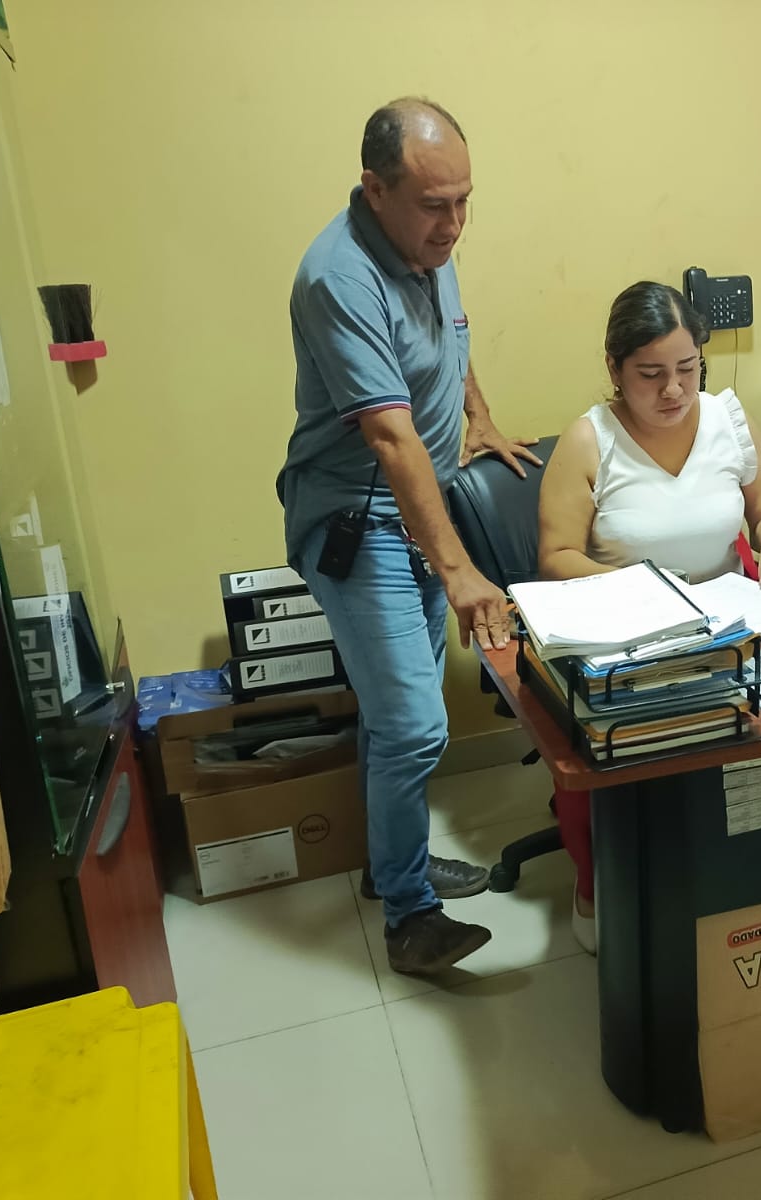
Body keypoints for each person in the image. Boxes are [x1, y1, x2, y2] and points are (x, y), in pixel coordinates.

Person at [277, 97, 541, 975]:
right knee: (417, 726)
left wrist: (481, 417)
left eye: (464, 202)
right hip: (359, 523)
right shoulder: (338, 278)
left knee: (393, 718)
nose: (453, 225)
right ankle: (409, 917)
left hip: (414, 517)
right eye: (435, 206)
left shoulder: (426, 248)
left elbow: (448, 343)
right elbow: (390, 438)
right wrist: (458, 570)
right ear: (375, 190)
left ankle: (390, 863)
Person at [536, 281, 761, 950]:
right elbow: (557, 556)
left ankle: (741, 873)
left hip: (726, 628)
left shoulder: (728, 421)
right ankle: (597, 880)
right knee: (610, 748)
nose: (674, 390)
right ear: (615, 369)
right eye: (650, 374)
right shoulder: (589, 441)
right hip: (627, 635)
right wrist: (649, 591)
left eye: (688, 369)